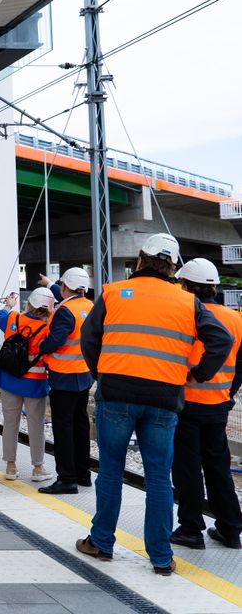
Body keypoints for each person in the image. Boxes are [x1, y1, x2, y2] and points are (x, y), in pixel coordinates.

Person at [76, 233, 231, 576]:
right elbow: (222, 339)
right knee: (159, 477)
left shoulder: (112, 292)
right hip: (163, 400)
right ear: (174, 268)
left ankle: (101, 542)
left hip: (115, 394)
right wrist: (198, 374)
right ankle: (161, 557)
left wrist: (100, 372)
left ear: (140, 261)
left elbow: (89, 337)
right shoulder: (187, 302)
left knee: (112, 470)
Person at [171, 258, 242, 550]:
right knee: (218, 466)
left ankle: (191, 528)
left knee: (187, 467)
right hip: (218, 404)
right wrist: (228, 393)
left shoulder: (186, 315)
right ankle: (230, 528)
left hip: (187, 403)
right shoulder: (236, 318)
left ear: (187, 286)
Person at [36, 267, 95, 495]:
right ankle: (83, 474)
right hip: (84, 375)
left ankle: (67, 479)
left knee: (63, 428)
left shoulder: (64, 311)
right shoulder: (89, 307)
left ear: (65, 287)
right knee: (81, 425)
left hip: (64, 376)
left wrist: (41, 346)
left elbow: (56, 340)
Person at [0, 287, 55, 482]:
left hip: (10, 380)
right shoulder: (49, 328)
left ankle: (10, 467)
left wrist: (9, 305)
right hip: (35, 384)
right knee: (36, 426)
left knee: (10, 423)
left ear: (30, 303)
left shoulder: (14, 319)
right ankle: (38, 468)